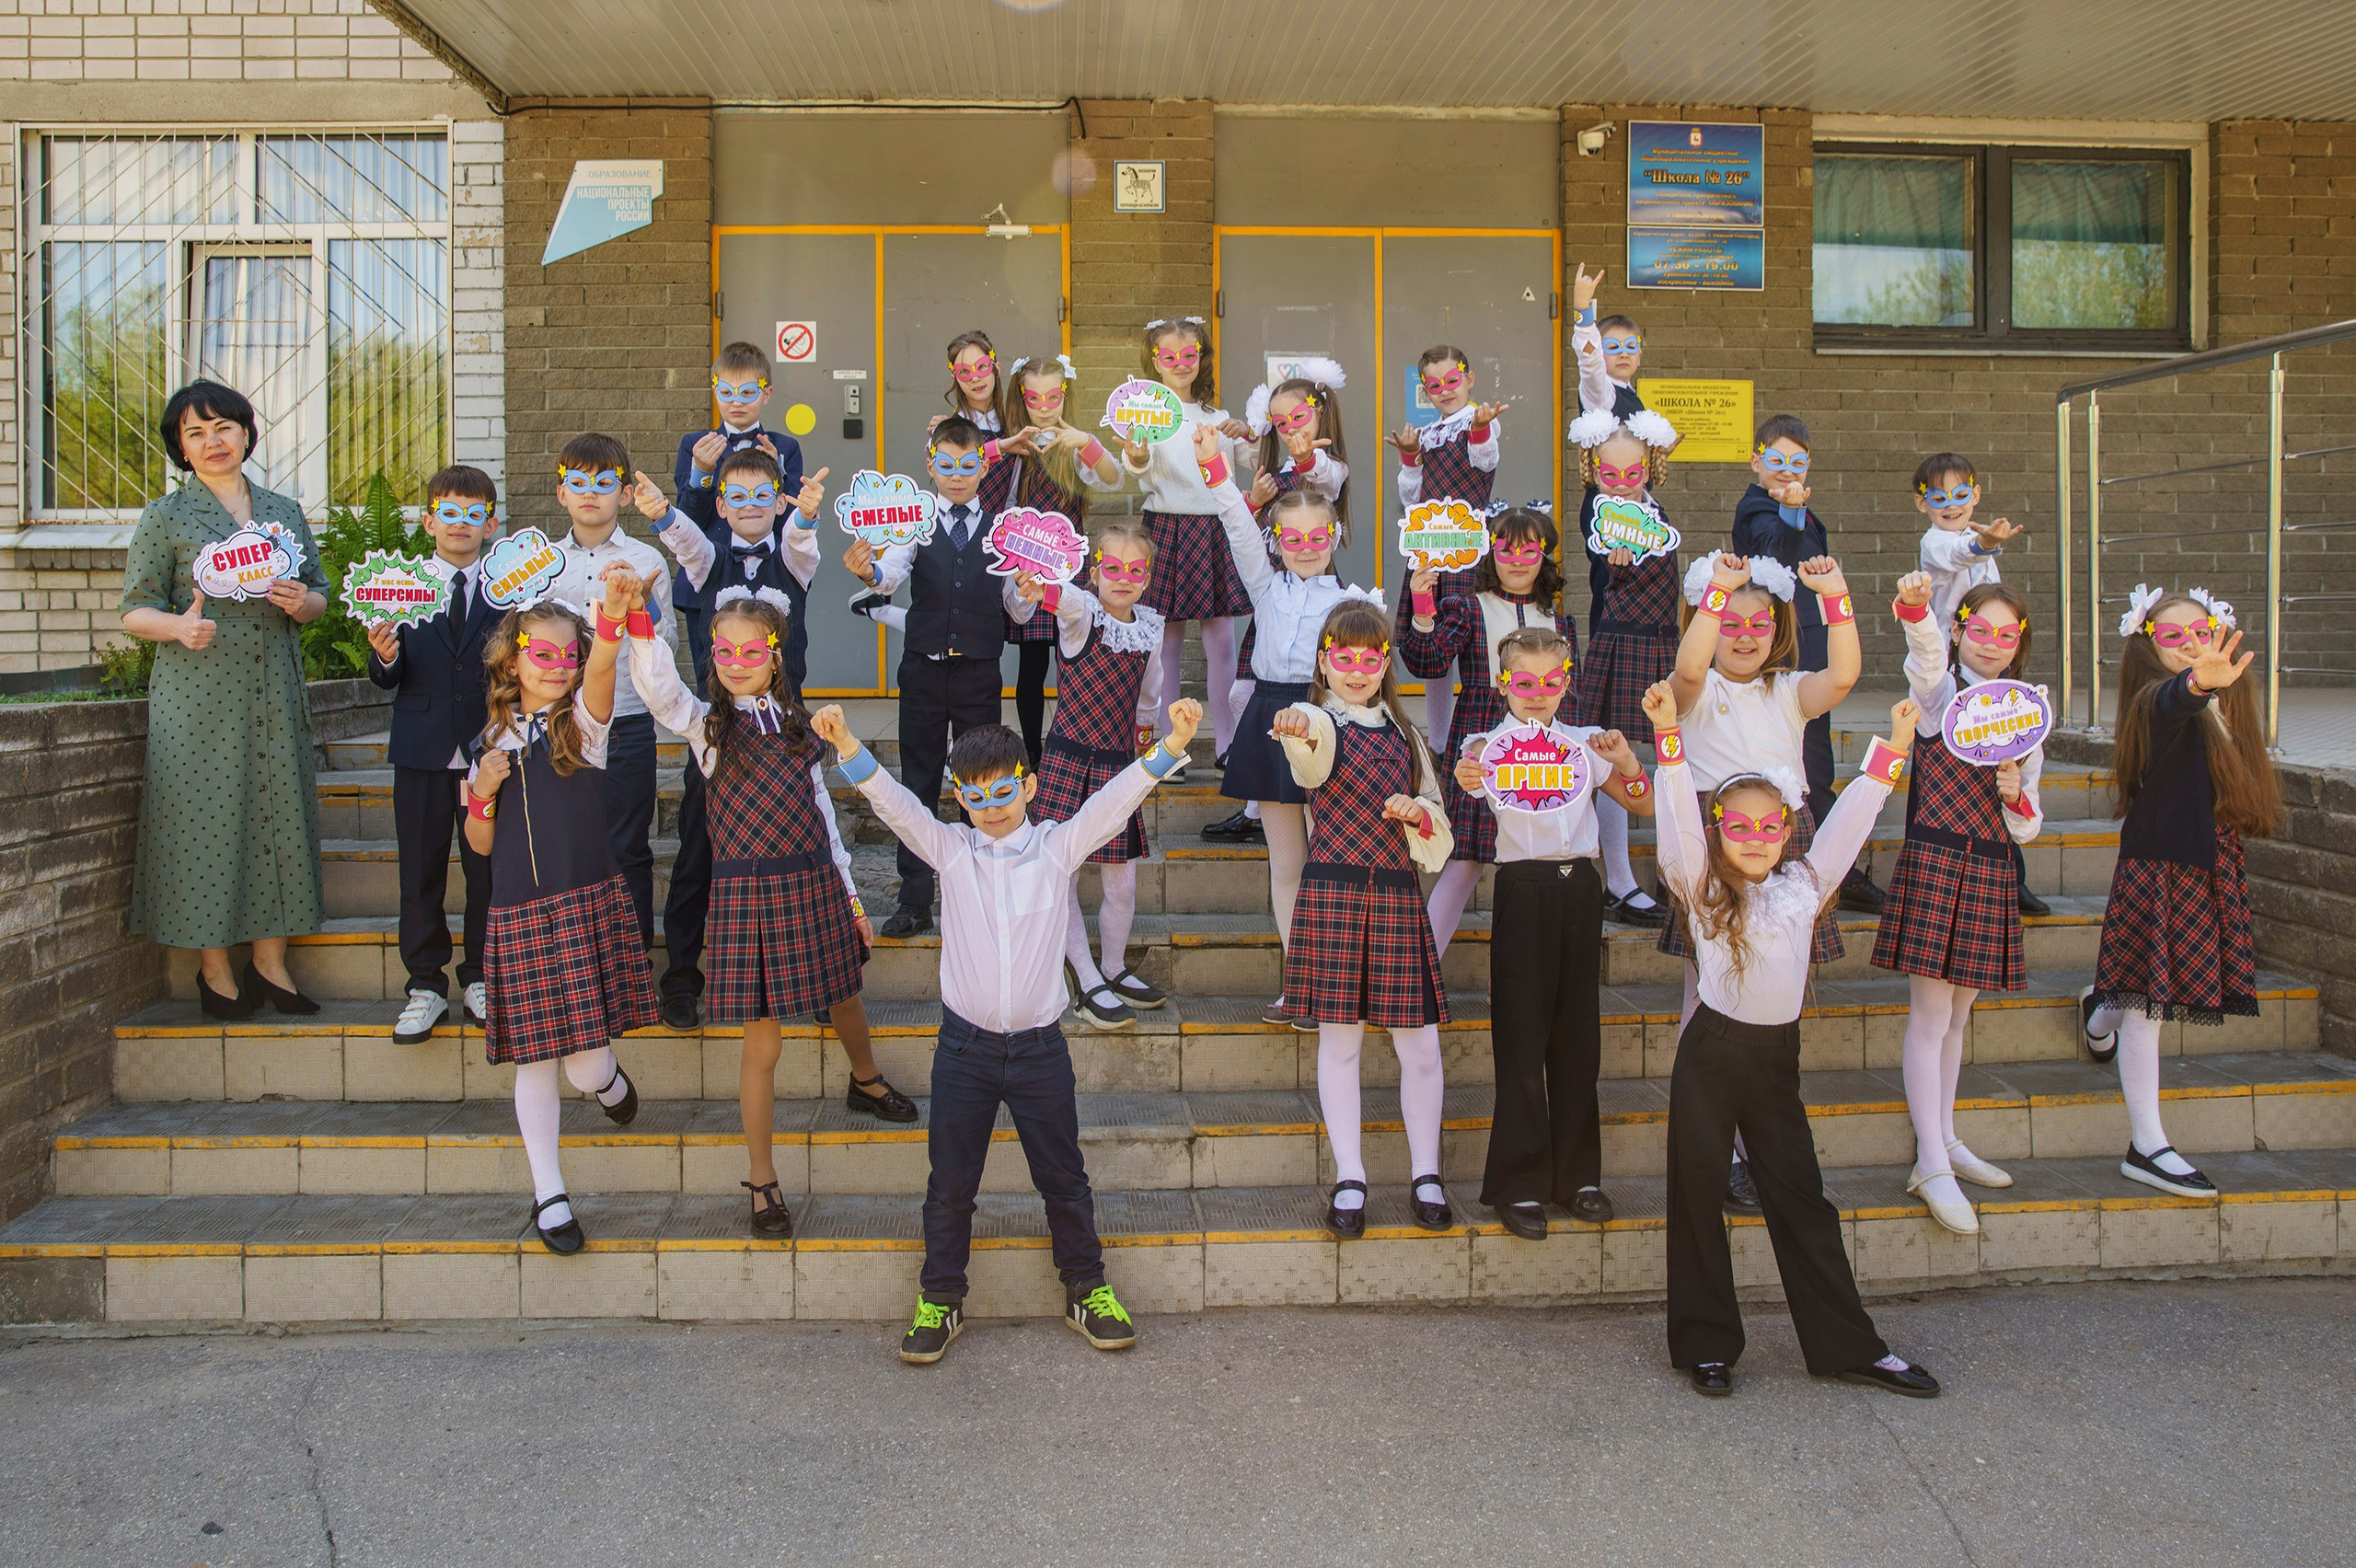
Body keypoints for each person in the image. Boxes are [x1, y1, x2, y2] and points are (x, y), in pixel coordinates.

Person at [813, 701, 1205, 1364]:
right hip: (963, 1050)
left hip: (1039, 1051)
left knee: (1064, 1177)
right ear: (960, 797)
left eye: (1003, 791)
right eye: (975, 795)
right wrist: (848, 742)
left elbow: (1113, 801)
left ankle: (1088, 1287)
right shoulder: (951, 849)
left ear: (1027, 786)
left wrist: (1171, 745)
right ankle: (941, 1297)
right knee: (951, 1184)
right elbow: (895, 804)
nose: (990, 807)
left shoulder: (1056, 847)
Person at [1642, 680, 1941, 1401]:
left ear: (1785, 831)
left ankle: (1845, 1344)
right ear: (1719, 833)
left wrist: (1891, 751)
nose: (1754, 840)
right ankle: (1706, 1344)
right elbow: (1679, 818)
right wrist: (1667, 741)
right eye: (1738, 829)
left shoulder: (1805, 885)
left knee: (1803, 1200)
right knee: (1698, 1196)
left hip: (1775, 1061)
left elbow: (1847, 828)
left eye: (1768, 828)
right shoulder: (1699, 886)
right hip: (1711, 1056)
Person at [622, 580, 912, 1238]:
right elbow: (659, 690)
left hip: (812, 885)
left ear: (776, 655)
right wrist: (639, 619)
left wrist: (853, 896)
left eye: (751, 650)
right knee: (763, 1044)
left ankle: (864, 1081)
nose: (735, 660)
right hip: (747, 898)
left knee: (844, 994)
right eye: (723, 651)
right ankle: (762, 1176)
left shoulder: (803, 729)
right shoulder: (707, 728)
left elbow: (825, 820)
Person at [119, 378, 329, 1019]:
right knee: (202, 825)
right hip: (199, 696)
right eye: (195, 432)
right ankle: (215, 969)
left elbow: (319, 596)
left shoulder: (281, 512)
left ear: (246, 434)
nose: (213, 442)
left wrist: (301, 604)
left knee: (278, 819)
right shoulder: (167, 517)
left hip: (271, 692)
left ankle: (271, 962)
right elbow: (134, 611)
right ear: (181, 448)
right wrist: (178, 627)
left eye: (223, 428)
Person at [464, 570, 660, 1255]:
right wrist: (482, 791)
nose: (556, 667)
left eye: (565, 656)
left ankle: (605, 1079)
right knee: (534, 1063)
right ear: (511, 660)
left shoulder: (583, 726)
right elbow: (479, 845)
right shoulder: (485, 741)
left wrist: (607, 620)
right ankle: (549, 1195)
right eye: (540, 654)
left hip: (584, 907)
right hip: (518, 916)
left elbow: (605, 662)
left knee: (580, 1065)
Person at [1663, 549, 1860, 1208]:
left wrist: (1834, 596)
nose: (1743, 636)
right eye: (1730, 623)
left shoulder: (1789, 690)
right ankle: (1710, 1149)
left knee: (1775, 998)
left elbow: (1845, 676)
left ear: (1777, 633)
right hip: (1715, 845)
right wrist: (1716, 591)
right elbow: (1690, 665)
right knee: (1708, 998)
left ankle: (1761, 1149)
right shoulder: (1695, 690)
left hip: (1785, 841)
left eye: (1759, 625)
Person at [1449, 624, 1652, 1235]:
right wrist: (1466, 775)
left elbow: (1640, 801)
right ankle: (1519, 1183)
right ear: (1502, 683)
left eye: (1551, 681)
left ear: (1568, 682)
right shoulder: (1486, 745)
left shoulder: (1586, 743)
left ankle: (1579, 1177)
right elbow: (1465, 778)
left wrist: (1627, 761)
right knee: (1521, 1037)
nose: (1538, 694)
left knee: (1577, 1039)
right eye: (1525, 682)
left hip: (1580, 887)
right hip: (1523, 886)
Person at [2080, 586, 2280, 1198]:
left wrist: (2211, 688)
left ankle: (2097, 1009)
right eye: (2172, 637)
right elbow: (2173, 702)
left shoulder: (2228, 701)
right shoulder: (2156, 699)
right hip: (2159, 860)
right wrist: (2195, 686)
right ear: (2148, 645)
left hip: (2207, 859)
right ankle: (2147, 1145)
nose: (2191, 644)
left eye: (2200, 632)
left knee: (2144, 983)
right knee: (2149, 1009)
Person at [1272, 600, 1456, 1235]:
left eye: (1370, 658)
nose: (1357, 669)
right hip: (1333, 895)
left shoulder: (1407, 738)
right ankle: (1350, 1176)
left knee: (1422, 1047)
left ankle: (1426, 1173)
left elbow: (1439, 832)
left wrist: (1420, 816)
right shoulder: (1319, 722)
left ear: (1385, 662)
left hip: (1399, 897)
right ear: (1325, 661)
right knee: (1340, 1043)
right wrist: (1297, 723)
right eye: (1343, 658)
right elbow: (1312, 758)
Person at [1195, 421, 1384, 1028]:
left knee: (1331, 862)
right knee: (1286, 865)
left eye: (1317, 536)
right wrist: (1214, 469)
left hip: (1331, 726)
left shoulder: (1353, 604)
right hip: (1271, 722)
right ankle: (1299, 982)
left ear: (1334, 536)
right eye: (1292, 537)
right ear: (1275, 540)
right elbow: (1233, 523)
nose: (1305, 545)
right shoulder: (1264, 584)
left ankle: (1343, 980)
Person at [1877, 574, 2045, 1234]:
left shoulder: (2027, 711)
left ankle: (1944, 1139)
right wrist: (1917, 608)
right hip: (1938, 857)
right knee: (1930, 1013)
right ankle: (1930, 1159)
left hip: (1992, 866)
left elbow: (2030, 822)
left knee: (1958, 1017)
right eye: (1981, 630)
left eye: (2008, 635)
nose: (1994, 644)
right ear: (1959, 630)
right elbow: (1922, 656)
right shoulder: (1942, 691)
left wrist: (2014, 795)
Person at [643, 447, 827, 1028]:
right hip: (717, 726)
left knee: (803, 849)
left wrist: (805, 516)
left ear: (778, 500)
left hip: (783, 725)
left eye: (762, 497)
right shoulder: (708, 563)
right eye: (737, 497)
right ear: (721, 506)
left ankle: (818, 974)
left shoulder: (793, 562)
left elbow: (801, 541)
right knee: (698, 849)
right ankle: (681, 976)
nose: (750, 507)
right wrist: (662, 513)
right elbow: (687, 542)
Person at [842, 416, 1038, 938]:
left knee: (985, 781)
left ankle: (989, 893)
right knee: (918, 784)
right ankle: (914, 899)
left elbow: (1017, 613)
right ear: (931, 466)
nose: (957, 474)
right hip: (923, 673)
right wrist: (867, 571)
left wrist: (1028, 589)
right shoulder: (916, 524)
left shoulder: (1003, 530)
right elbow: (890, 577)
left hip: (978, 673)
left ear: (982, 466)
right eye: (946, 465)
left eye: (967, 465)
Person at [1400, 504, 1577, 956]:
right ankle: (1422, 968)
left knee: (1537, 861)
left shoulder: (1561, 622)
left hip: (1544, 750)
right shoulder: (1468, 608)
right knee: (1464, 863)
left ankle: (1533, 968)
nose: (1518, 560)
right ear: (1490, 553)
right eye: (1506, 549)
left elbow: (1569, 696)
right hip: (1482, 738)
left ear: (1545, 555)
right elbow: (1429, 662)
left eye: (1530, 549)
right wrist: (1423, 606)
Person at [364, 465, 503, 1041]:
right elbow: (384, 678)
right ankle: (425, 984)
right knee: (419, 872)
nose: (460, 525)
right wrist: (385, 653)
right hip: (421, 752)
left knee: (486, 871)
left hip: (488, 755)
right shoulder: (402, 586)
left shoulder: (507, 589)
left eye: (474, 515)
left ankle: (479, 976)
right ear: (429, 522)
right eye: (449, 513)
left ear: (490, 525)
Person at [1730, 415, 1882, 914]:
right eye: (1776, 460)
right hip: (1781, 644)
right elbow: (1775, 551)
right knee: (1805, 758)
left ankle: (1832, 864)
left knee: (1817, 756)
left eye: (1797, 463)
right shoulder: (1756, 509)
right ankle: (1827, 867)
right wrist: (1791, 513)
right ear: (1756, 460)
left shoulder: (1803, 509)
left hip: (1811, 643)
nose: (1786, 471)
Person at [1027, 521, 1168, 1030]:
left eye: (1135, 570)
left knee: (1122, 883)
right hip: (1067, 760)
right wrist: (1037, 584)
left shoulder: (1151, 627)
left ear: (1148, 577)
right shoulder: (1081, 615)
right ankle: (1084, 975)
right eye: (1112, 568)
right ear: (1095, 572)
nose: (1123, 578)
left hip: (1117, 765)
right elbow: (1060, 600)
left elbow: (1150, 693)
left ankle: (1112, 967)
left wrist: (1148, 738)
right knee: (1061, 873)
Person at [546, 433, 676, 948]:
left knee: (627, 844)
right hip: (559, 722)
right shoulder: (543, 564)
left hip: (626, 720)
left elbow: (664, 644)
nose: (590, 493)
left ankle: (632, 958)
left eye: (604, 483)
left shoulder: (647, 560)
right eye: (577, 483)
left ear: (624, 495)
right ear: (561, 493)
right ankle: (574, 958)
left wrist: (641, 602)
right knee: (567, 844)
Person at [1117, 317, 1256, 761]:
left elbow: (1248, 463)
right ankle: (1169, 747)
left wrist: (1246, 431)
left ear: (1202, 358)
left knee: (1221, 640)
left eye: (1189, 355)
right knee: (1165, 642)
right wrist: (1135, 454)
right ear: (1153, 361)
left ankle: (1228, 743)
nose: (1180, 363)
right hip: (1165, 529)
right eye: (1169, 356)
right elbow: (1135, 468)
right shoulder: (1147, 416)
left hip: (1215, 530)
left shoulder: (1218, 417)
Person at [1911, 452, 2043, 917]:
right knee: (1942, 762)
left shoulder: (1979, 538)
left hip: (1991, 671)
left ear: (1977, 494)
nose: (1952, 505)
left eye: (1962, 495)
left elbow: (1996, 599)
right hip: (1949, 665)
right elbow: (1956, 553)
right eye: (1940, 497)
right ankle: (1926, 864)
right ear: (1922, 503)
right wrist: (1983, 543)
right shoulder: (1936, 542)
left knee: (2004, 760)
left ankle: (2013, 873)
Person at [1564, 409, 1680, 928]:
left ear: (1651, 467)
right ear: (1593, 472)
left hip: (1661, 641)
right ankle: (1619, 880)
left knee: (1670, 754)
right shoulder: (1603, 520)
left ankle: (1675, 871)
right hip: (1623, 640)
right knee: (1617, 753)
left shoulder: (1656, 511)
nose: (1623, 484)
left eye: (1633, 475)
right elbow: (1607, 551)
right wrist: (1616, 557)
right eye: (1609, 476)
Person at [995, 350, 1126, 765]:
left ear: (1066, 395)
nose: (1046, 407)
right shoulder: (1016, 444)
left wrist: (1086, 443)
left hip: (1069, 567)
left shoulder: (1075, 443)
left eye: (1054, 397)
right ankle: (1031, 751)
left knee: (1072, 657)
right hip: (1028, 567)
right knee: (1032, 666)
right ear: (1022, 397)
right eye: (1035, 399)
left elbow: (1112, 478)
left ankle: (1066, 746)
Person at [1387, 345, 1508, 745]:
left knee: (1473, 644)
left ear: (1469, 379)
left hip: (1469, 549)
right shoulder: (1425, 434)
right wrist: (1409, 457)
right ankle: (1438, 743)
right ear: (1425, 389)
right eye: (1434, 384)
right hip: (1431, 550)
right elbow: (1412, 499)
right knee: (1433, 645)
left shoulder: (1478, 422)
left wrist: (1481, 426)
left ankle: (1476, 737)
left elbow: (1484, 461)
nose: (1445, 389)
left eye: (1452, 380)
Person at [672, 340, 806, 698]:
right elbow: (687, 519)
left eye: (748, 392)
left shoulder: (786, 448)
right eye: (727, 392)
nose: (737, 401)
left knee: (780, 673)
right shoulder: (695, 444)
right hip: (708, 578)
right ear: (714, 392)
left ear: (766, 394)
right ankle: (706, 752)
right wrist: (700, 472)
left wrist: (779, 472)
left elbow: (789, 519)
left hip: (770, 577)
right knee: (712, 679)